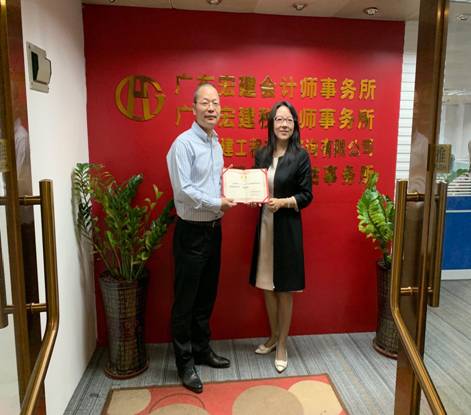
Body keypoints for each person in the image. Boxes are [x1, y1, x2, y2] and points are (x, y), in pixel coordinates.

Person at [166, 83, 236, 393]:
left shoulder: (215, 143)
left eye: (215, 103)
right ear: (193, 108)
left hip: (213, 230)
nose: (211, 108)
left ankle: (201, 349)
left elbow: (208, 183)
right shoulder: (183, 144)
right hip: (191, 233)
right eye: (205, 103)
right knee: (185, 301)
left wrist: (228, 184)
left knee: (206, 296)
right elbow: (183, 191)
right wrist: (217, 201)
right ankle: (184, 363)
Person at [249, 101, 313, 373]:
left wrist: (284, 202)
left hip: (287, 228)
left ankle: (283, 344)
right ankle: (273, 336)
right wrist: (249, 195)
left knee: (285, 288)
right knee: (266, 284)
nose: (284, 124)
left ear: (295, 124)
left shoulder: (301, 156)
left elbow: (307, 195)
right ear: (271, 124)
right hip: (265, 227)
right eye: (279, 119)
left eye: (289, 120)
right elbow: (255, 186)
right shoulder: (262, 154)